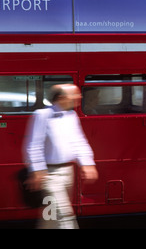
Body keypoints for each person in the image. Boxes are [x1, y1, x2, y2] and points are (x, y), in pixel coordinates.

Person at [23, 84, 98, 229]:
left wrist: (87, 163)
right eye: (75, 94)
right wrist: (37, 170)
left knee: (50, 217)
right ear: (62, 98)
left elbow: (79, 141)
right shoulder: (42, 115)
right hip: (50, 175)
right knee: (64, 214)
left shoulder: (71, 115)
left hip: (67, 172)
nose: (79, 97)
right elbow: (34, 145)